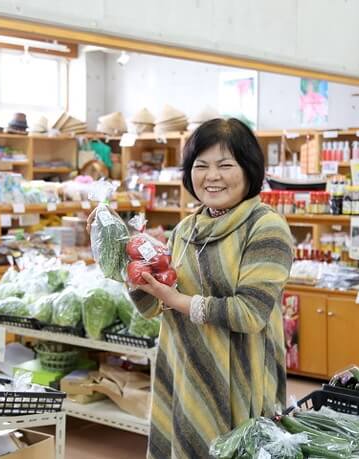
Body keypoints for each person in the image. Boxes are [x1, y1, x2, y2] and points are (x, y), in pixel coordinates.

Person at [130, 118, 293, 457]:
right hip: (184, 375)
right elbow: (153, 308)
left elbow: (250, 314)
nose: (212, 176)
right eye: (200, 165)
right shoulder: (186, 229)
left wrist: (180, 301)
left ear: (249, 169)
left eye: (225, 165)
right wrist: (123, 258)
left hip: (243, 379)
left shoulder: (266, 228)